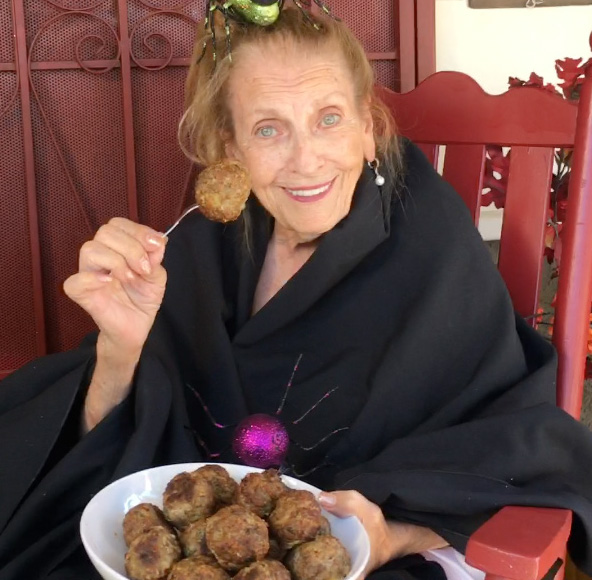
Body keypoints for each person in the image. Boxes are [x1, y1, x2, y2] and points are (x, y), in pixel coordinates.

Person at [1, 6, 592, 580]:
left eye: (328, 117)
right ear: (230, 152)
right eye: (268, 128)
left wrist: (392, 538)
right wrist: (121, 354)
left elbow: (511, 450)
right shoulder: (203, 249)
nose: (306, 160)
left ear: (367, 128)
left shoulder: (435, 256)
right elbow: (116, 450)